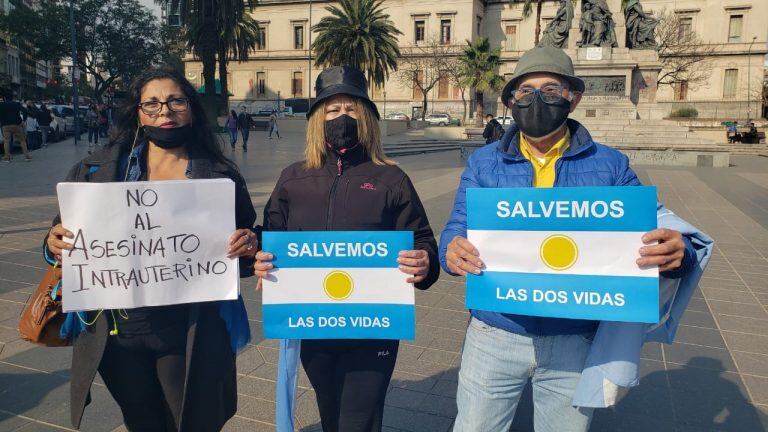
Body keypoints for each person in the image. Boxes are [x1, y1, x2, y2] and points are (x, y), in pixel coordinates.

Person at [439, 47, 712, 432]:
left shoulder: (611, 165)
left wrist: (676, 253)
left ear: (573, 97)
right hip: (495, 332)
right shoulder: (484, 163)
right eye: (526, 90)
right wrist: (451, 251)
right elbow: (456, 228)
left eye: (551, 89)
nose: (536, 99)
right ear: (512, 100)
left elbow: (651, 234)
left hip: (574, 337)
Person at [43, 66, 257, 431]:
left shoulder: (220, 175)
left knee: (191, 420)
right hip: (119, 334)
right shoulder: (97, 169)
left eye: (176, 101)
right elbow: (56, 240)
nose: (165, 112)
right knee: (142, 422)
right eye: (152, 103)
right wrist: (53, 245)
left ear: (191, 107)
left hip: (187, 327)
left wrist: (249, 244)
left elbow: (245, 246)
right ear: (138, 112)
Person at [256, 65, 440, 432]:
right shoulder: (293, 177)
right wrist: (260, 258)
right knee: (329, 411)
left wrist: (425, 263)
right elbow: (270, 235)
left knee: (359, 419)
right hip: (313, 325)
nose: (342, 117)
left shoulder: (391, 179)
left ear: (368, 118)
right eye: (332, 110)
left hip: (373, 329)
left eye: (352, 109)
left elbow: (423, 242)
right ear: (316, 120)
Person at [0, 93, 31, 162]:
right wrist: (23, 120)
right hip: (16, 125)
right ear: (12, 98)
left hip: (5, 125)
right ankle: (27, 157)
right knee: (22, 141)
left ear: (4, 98)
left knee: (6, 141)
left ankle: (7, 157)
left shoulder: (1, 105)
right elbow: (25, 111)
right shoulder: (16, 104)